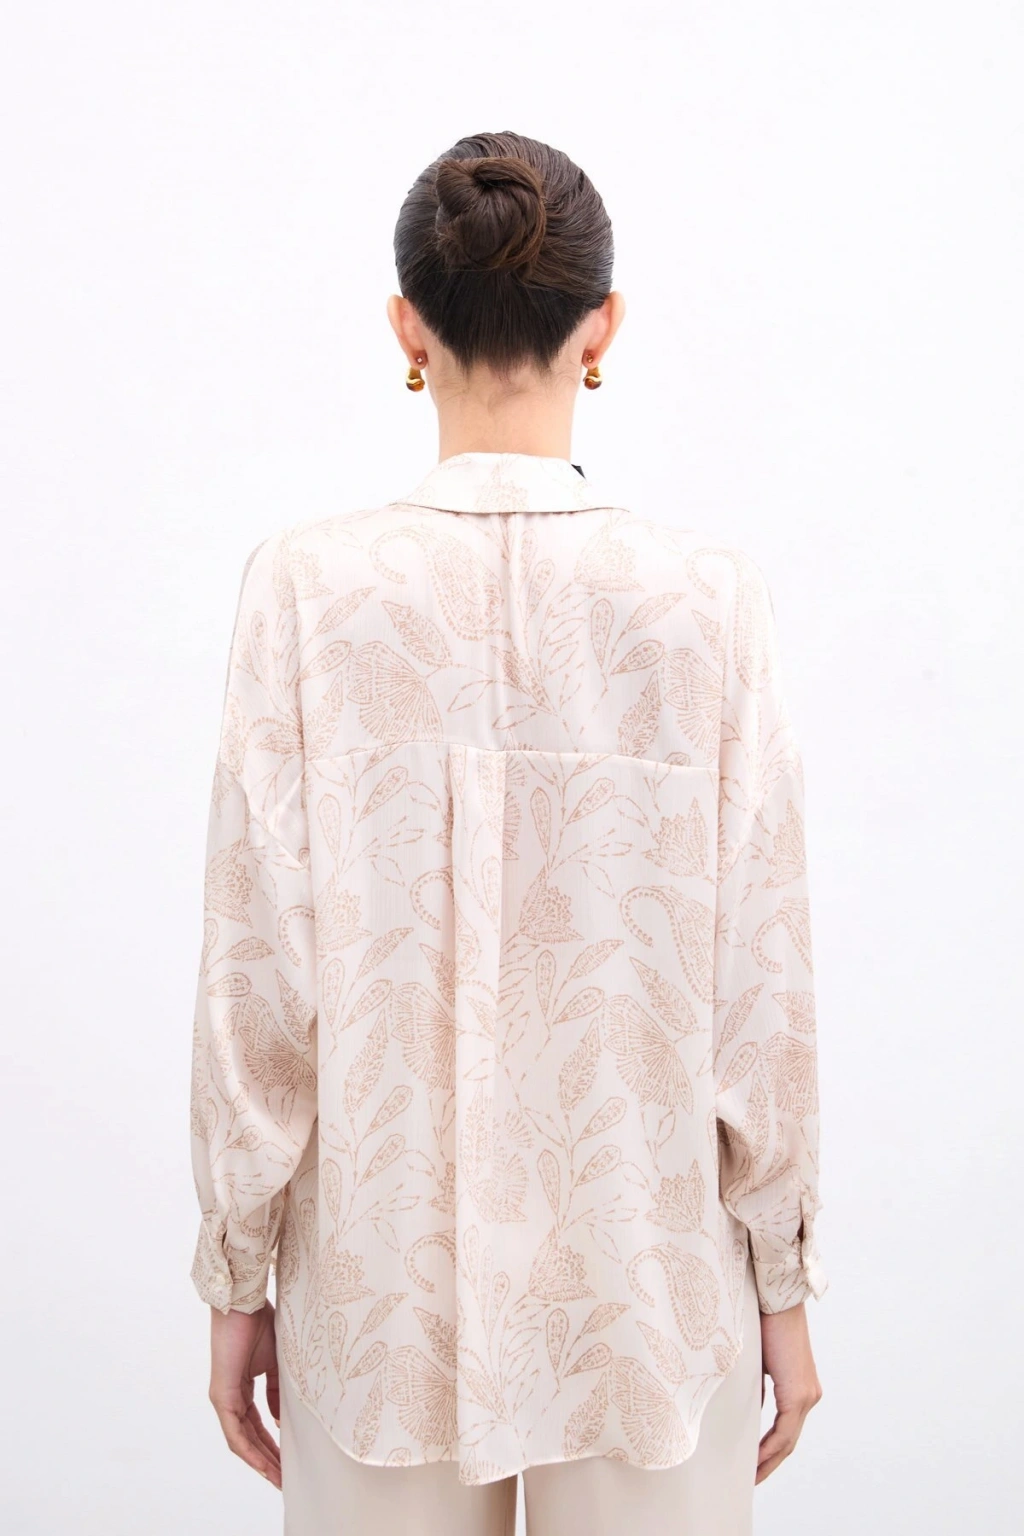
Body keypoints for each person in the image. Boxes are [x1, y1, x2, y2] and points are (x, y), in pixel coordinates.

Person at [188, 129, 827, 1536]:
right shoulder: (707, 601)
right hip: (647, 1280)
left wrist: (237, 1277)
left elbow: (256, 975)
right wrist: (783, 1287)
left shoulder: (305, 592)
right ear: (603, 326)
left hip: (379, 1279)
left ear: (406, 328)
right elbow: (761, 983)